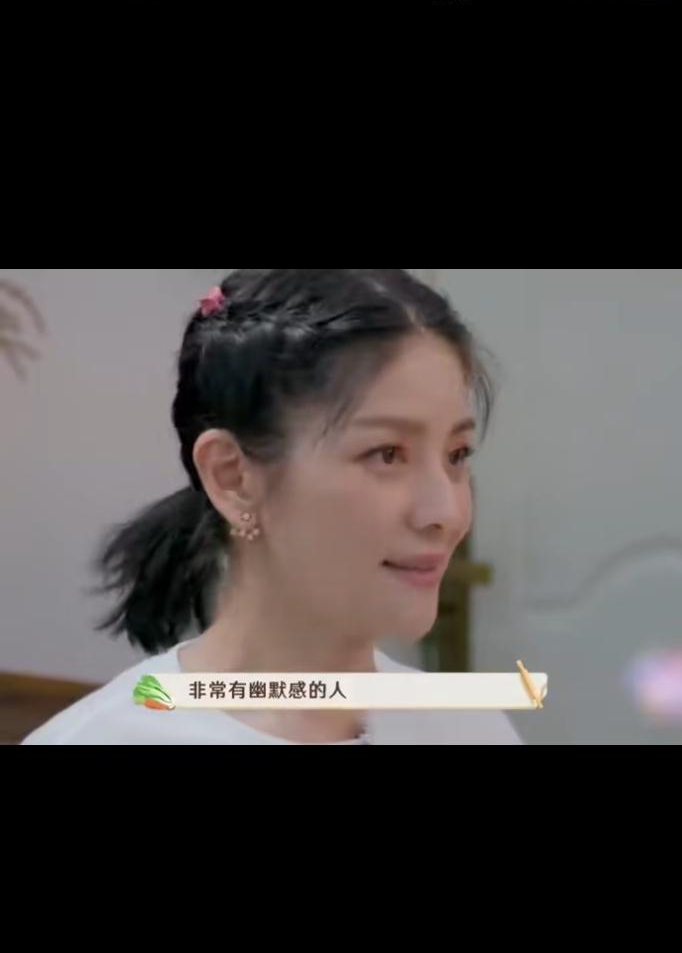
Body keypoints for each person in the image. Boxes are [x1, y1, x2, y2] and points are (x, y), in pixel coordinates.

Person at [22, 269, 523, 746]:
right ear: (232, 477)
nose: (446, 513)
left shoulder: (469, 727)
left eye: (457, 455)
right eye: (387, 454)